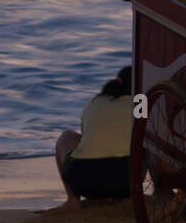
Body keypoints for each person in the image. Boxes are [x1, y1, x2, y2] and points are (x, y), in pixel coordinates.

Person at [55, 66, 133, 206]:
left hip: (83, 182)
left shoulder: (94, 102)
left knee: (66, 136)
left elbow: (85, 139)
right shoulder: (140, 103)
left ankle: (73, 200)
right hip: (124, 182)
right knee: (151, 138)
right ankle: (162, 190)